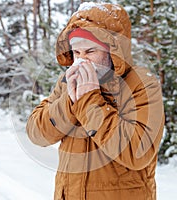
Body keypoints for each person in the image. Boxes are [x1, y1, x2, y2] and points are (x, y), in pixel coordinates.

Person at [26, 2, 164, 200]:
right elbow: (36, 134)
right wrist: (68, 104)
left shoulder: (141, 84)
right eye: (76, 53)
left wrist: (89, 100)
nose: (82, 61)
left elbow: (137, 151)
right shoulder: (67, 82)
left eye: (90, 52)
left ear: (112, 51)